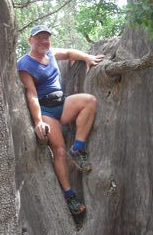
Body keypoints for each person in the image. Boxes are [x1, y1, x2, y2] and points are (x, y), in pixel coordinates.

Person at [17, 25, 104, 215]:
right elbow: (31, 94)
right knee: (59, 150)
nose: (44, 41)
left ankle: (78, 148)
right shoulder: (24, 64)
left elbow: (69, 52)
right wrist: (39, 120)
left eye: (46, 38)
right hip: (47, 110)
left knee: (89, 101)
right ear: (30, 40)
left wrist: (86, 57)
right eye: (39, 38)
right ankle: (70, 196)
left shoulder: (51, 53)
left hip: (62, 104)